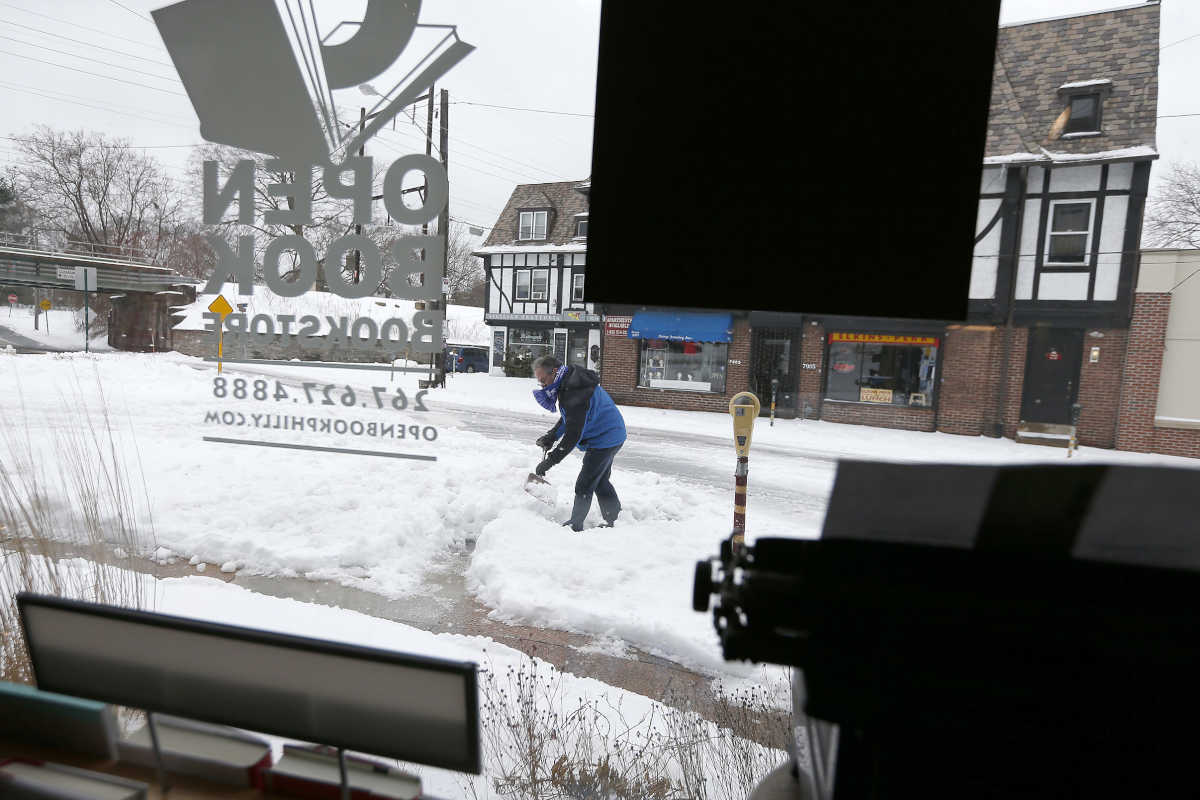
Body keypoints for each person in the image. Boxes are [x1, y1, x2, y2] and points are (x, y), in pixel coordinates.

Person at [531, 354, 626, 531]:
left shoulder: (575, 390)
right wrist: (552, 436)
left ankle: (575, 523)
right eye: (540, 383)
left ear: (555, 371)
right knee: (599, 480)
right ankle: (615, 517)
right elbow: (570, 419)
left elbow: (573, 434)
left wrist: (550, 461)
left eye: (544, 380)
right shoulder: (569, 382)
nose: (543, 386)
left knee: (585, 483)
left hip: (605, 438)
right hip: (612, 434)